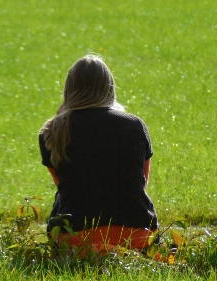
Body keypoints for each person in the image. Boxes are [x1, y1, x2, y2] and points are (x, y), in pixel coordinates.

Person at [38, 55, 158, 252]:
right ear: (109, 87)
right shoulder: (135, 126)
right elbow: (142, 182)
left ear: (68, 89)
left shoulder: (52, 131)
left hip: (74, 238)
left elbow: (64, 187)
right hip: (137, 235)